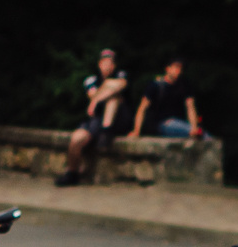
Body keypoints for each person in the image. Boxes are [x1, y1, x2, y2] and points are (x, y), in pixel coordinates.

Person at [58, 49, 128, 186]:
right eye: (104, 62)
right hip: (96, 120)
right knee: (76, 139)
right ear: (99, 64)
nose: (107, 66)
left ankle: (106, 132)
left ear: (114, 65)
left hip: (118, 120)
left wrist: (98, 98)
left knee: (113, 100)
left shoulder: (121, 74)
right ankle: (72, 173)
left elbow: (121, 85)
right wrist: (106, 90)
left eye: (110, 63)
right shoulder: (91, 80)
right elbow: (94, 95)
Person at [127, 57, 203, 142]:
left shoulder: (185, 86)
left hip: (181, 123)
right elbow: (142, 109)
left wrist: (194, 127)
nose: (178, 71)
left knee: (202, 135)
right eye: (176, 67)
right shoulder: (155, 85)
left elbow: (190, 107)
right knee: (180, 127)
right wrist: (136, 131)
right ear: (168, 68)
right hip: (161, 124)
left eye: (180, 68)